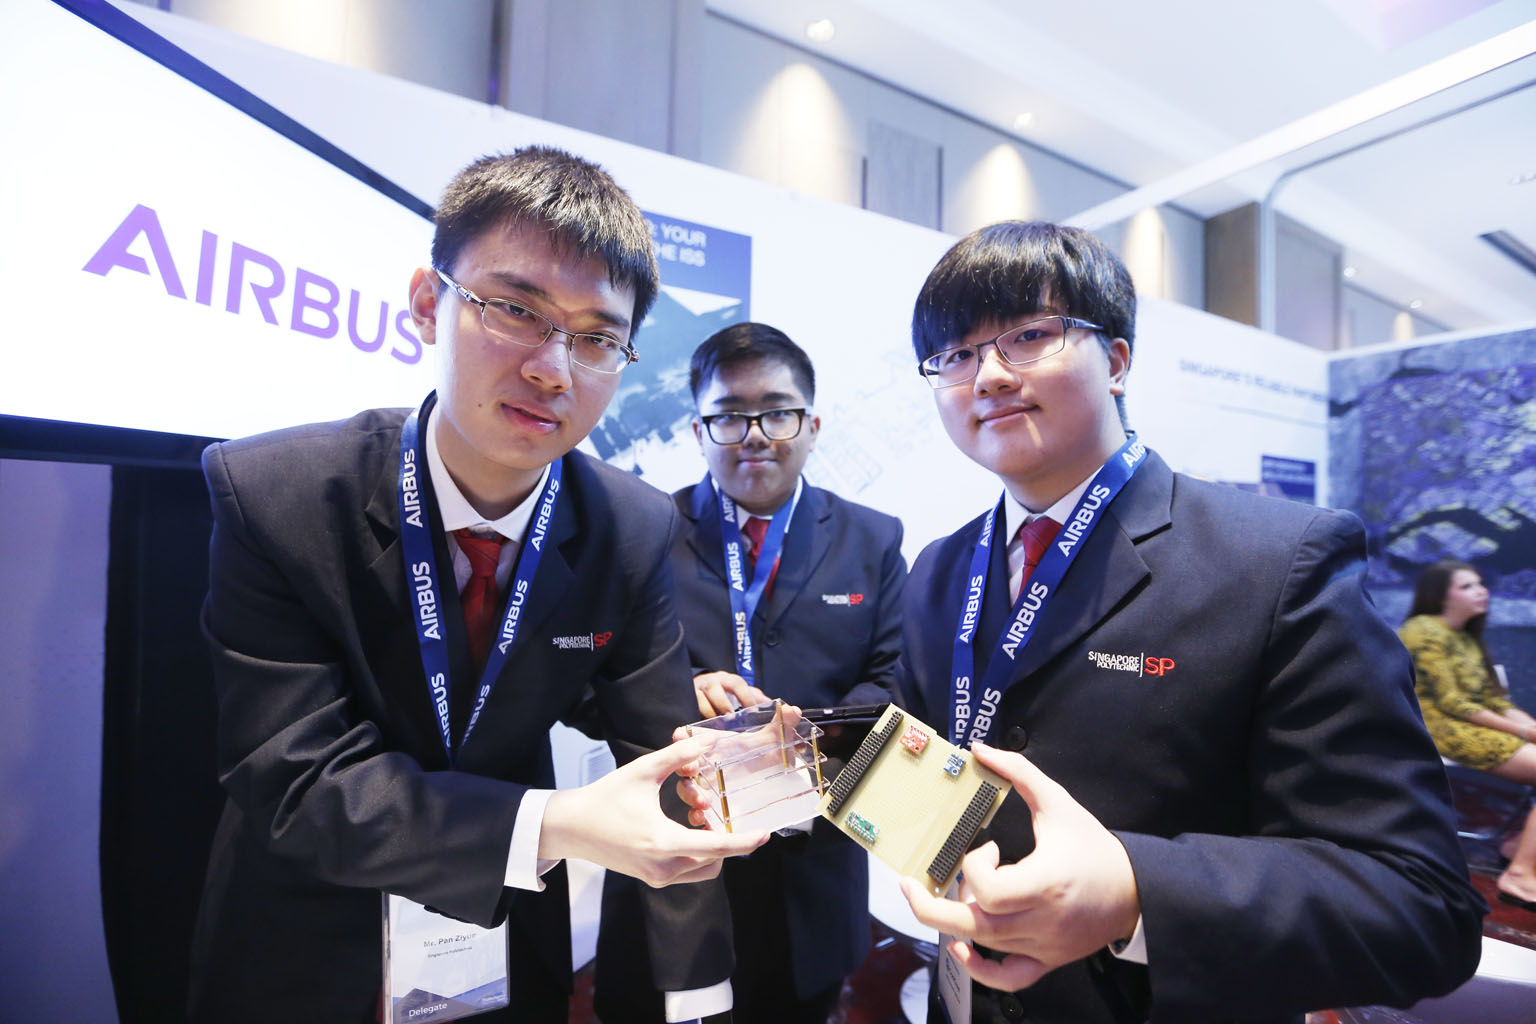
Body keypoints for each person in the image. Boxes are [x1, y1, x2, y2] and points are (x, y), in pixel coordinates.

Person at [187, 146, 766, 1024]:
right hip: (306, 938)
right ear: (429, 304)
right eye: (515, 310)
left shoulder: (632, 527)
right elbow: (297, 782)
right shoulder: (279, 495)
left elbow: (663, 749)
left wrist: (699, 990)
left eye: (598, 339)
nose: (553, 368)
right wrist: (556, 826)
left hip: (500, 949)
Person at [893, 220, 1485, 1023]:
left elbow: (1421, 905)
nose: (989, 376)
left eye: (1029, 336)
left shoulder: (1279, 561)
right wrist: (783, 749)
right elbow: (926, 756)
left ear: (1119, 360)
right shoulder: (940, 567)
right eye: (956, 356)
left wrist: (1137, 893)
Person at [594, 322, 907, 1023]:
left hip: (810, 874)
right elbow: (591, 679)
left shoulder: (874, 539)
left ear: (813, 423)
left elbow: (894, 682)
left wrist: (802, 740)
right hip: (668, 864)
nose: (756, 433)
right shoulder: (643, 531)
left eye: (777, 411)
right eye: (729, 416)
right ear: (699, 431)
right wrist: (685, 689)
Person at [1400, 559, 1536, 911]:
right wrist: (1524, 730)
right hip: (1436, 724)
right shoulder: (1423, 629)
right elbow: (1452, 702)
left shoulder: (1466, 637)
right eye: (1468, 586)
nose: (1482, 591)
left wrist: (1531, 728)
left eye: (1480, 584)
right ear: (1440, 595)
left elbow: (1493, 699)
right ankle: (1520, 874)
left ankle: (1517, 844)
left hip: (1469, 721)